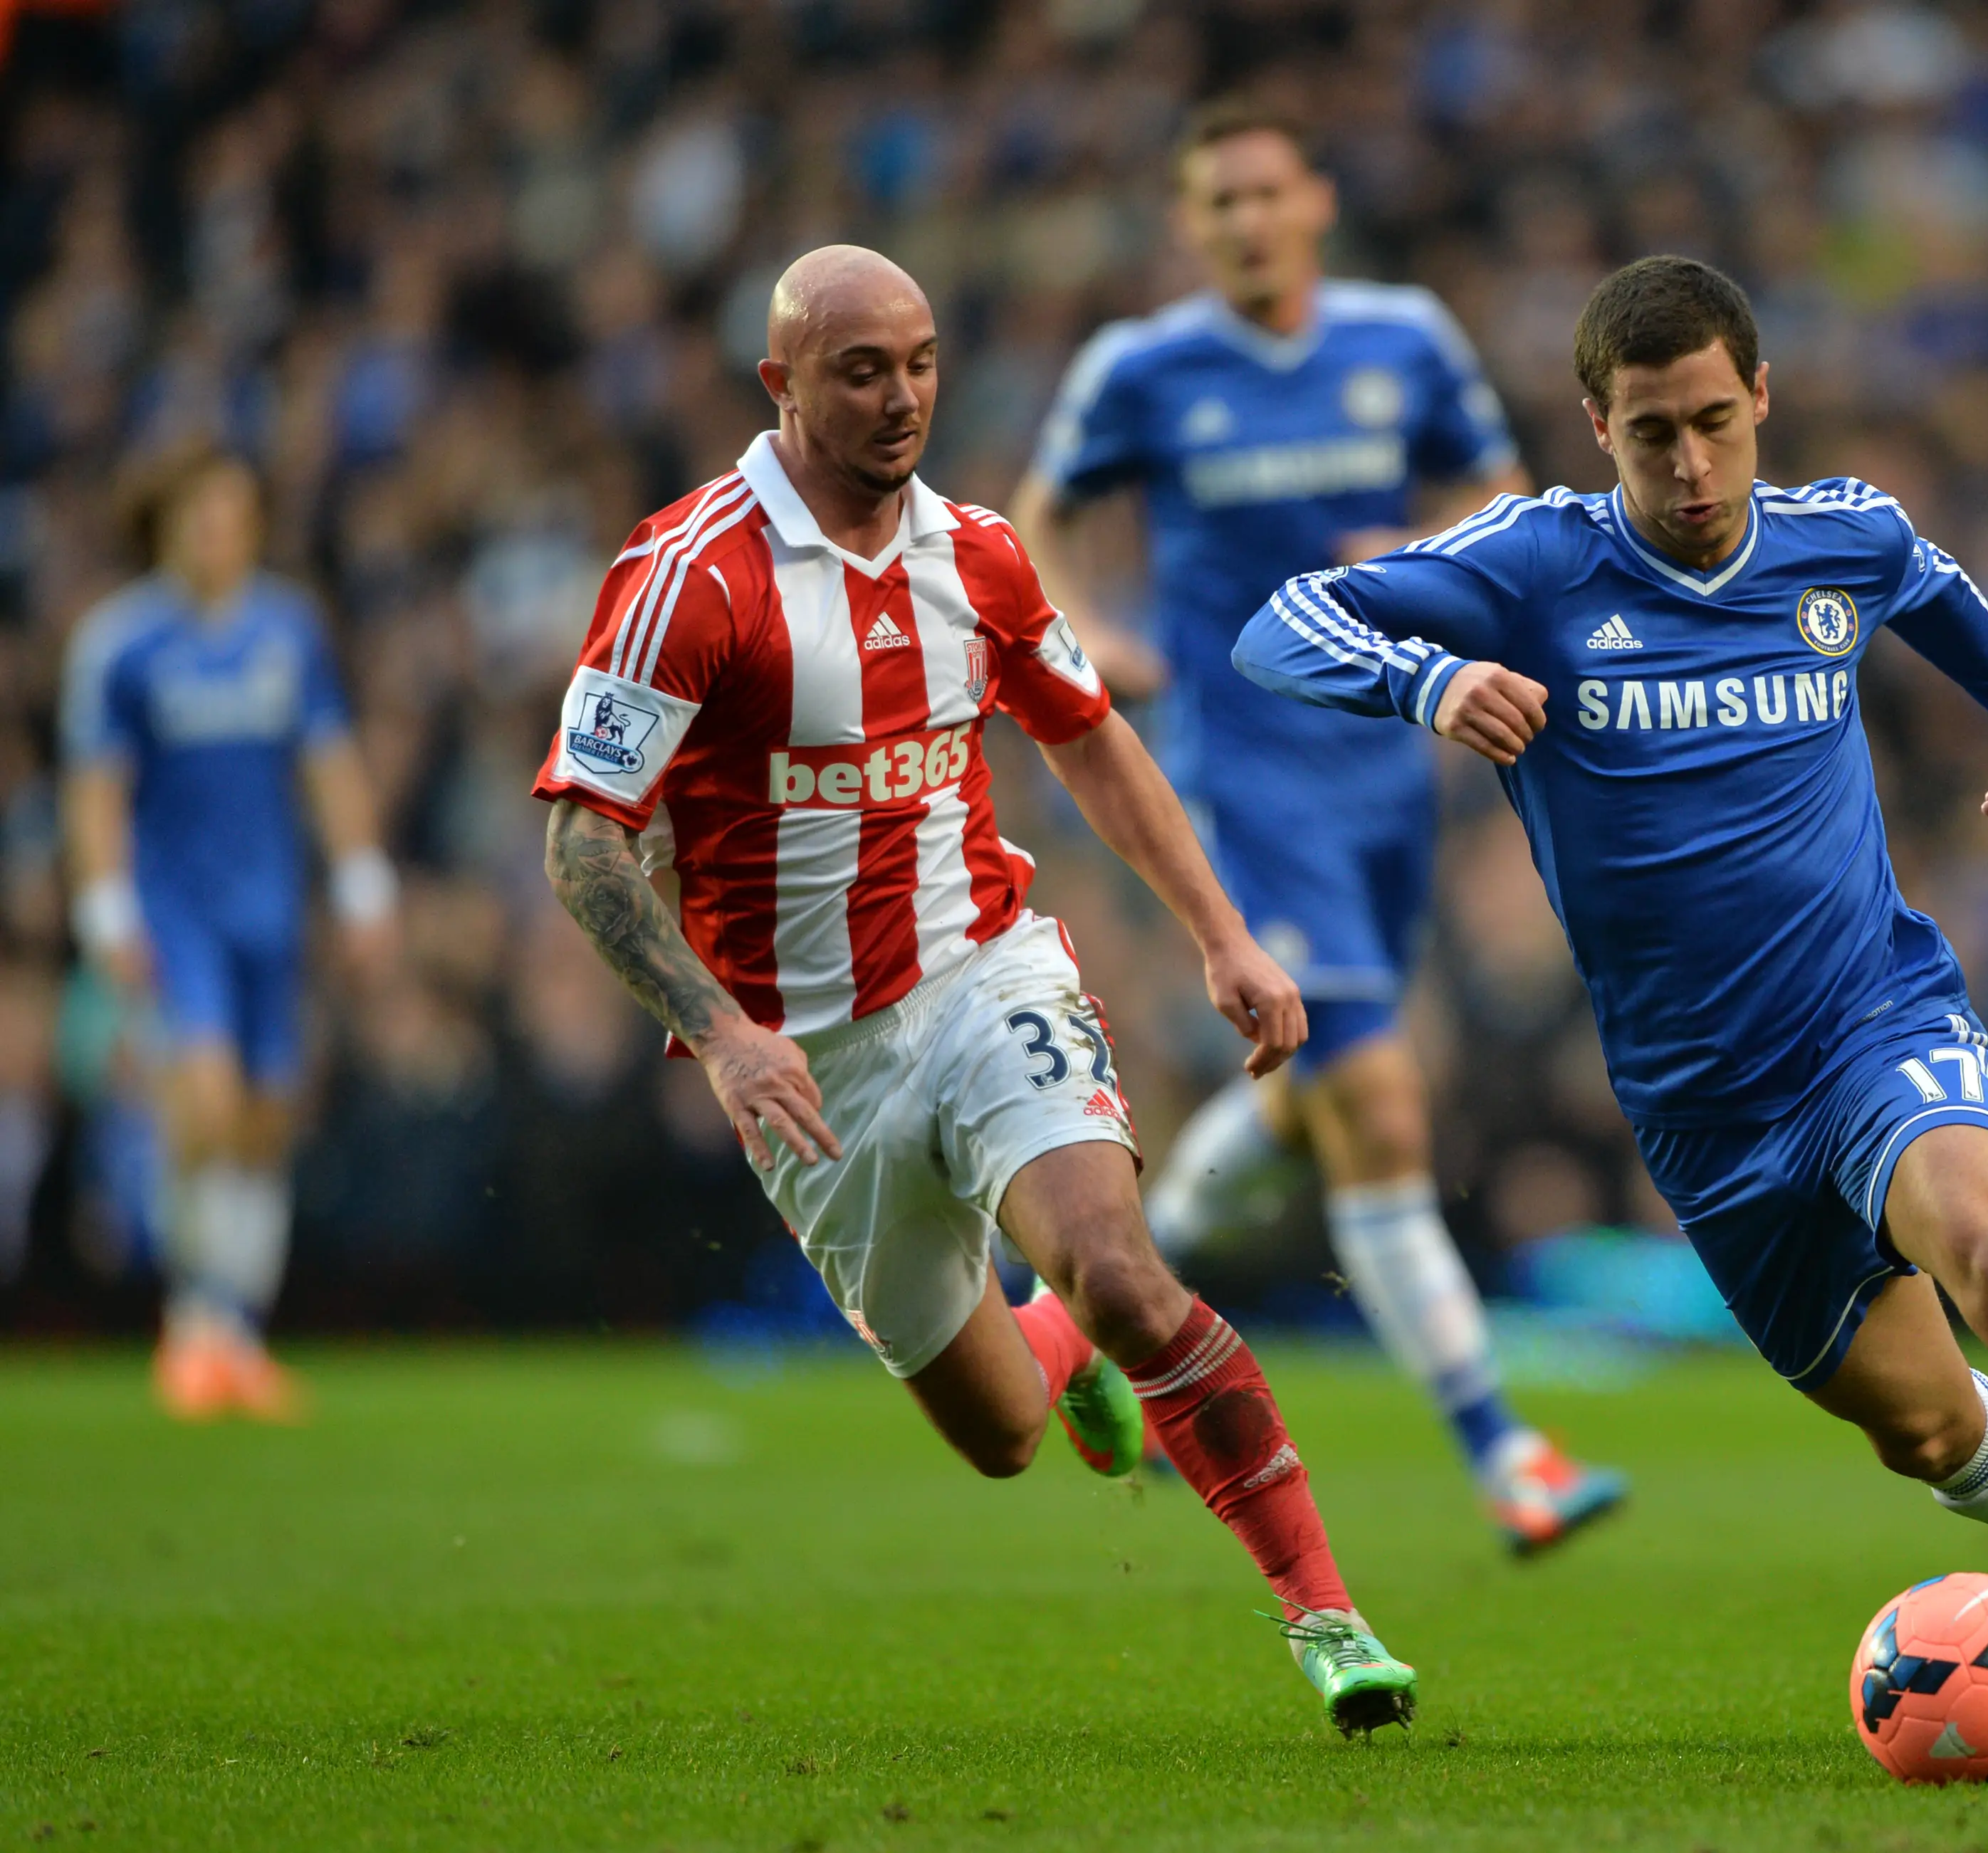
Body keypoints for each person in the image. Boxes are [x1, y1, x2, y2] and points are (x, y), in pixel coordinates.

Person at [1233, 256, 1988, 1772]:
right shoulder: (1535, 568)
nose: (1688, 467)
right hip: (1705, 1110)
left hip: (1871, 1019)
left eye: (1710, 422)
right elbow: (1277, 623)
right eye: (1647, 436)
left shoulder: (1840, 538)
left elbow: (1945, 600)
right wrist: (1425, 683)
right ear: (1593, 427)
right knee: (1935, 1434)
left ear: (1761, 395)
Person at [531, 245, 1415, 1736]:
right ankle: (1054, 1349)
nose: (902, 397)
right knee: (1004, 1434)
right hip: (812, 1067)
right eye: (862, 370)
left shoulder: (984, 554)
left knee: (1125, 1271)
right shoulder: (690, 575)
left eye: (922, 361)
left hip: (981, 965)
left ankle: (1326, 1616)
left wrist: (1222, 933)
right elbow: (583, 834)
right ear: (782, 383)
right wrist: (721, 1027)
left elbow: (1090, 739)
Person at [1013, 97, 1626, 1554]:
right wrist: (1088, 625)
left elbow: (1501, 491)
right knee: (1378, 1093)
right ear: (1190, 225)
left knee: (1317, 1101)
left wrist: (1424, 550)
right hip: (1239, 770)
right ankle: (1505, 1448)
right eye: (1213, 202)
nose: (1241, 222)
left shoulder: (1402, 339)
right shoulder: (1145, 366)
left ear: (1316, 203)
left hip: (1388, 762)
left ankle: (1076, 1316)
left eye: (1262, 194)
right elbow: (1037, 513)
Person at [60, 449, 399, 1421]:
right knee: (202, 1100)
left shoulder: (287, 630)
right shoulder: (121, 644)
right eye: (201, 514)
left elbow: (329, 761)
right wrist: (106, 909)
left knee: (263, 1122)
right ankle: (193, 1323)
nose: (219, 532)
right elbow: (97, 788)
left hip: (270, 908)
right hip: (179, 912)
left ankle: (235, 1334)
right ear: (164, 525)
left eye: (234, 513)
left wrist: (364, 881)